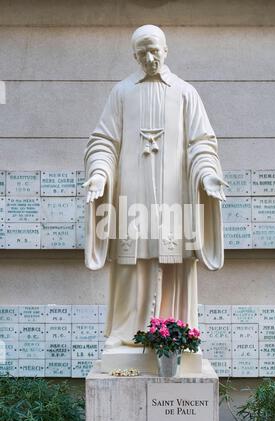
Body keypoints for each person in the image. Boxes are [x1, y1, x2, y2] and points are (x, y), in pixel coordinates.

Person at [83, 25, 228, 347]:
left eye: (155, 50)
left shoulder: (185, 92)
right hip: (131, 195)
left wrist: (207, 174)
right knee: (130, 263)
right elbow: (104, 141)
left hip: (175, 193)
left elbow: (201, 142)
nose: (150, 58)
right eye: (142, 52)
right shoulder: (122, 92)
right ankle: (125, 331)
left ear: (166, 50)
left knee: (174, 261)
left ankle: (175, 334)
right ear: (134, 55)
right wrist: (99, 173)